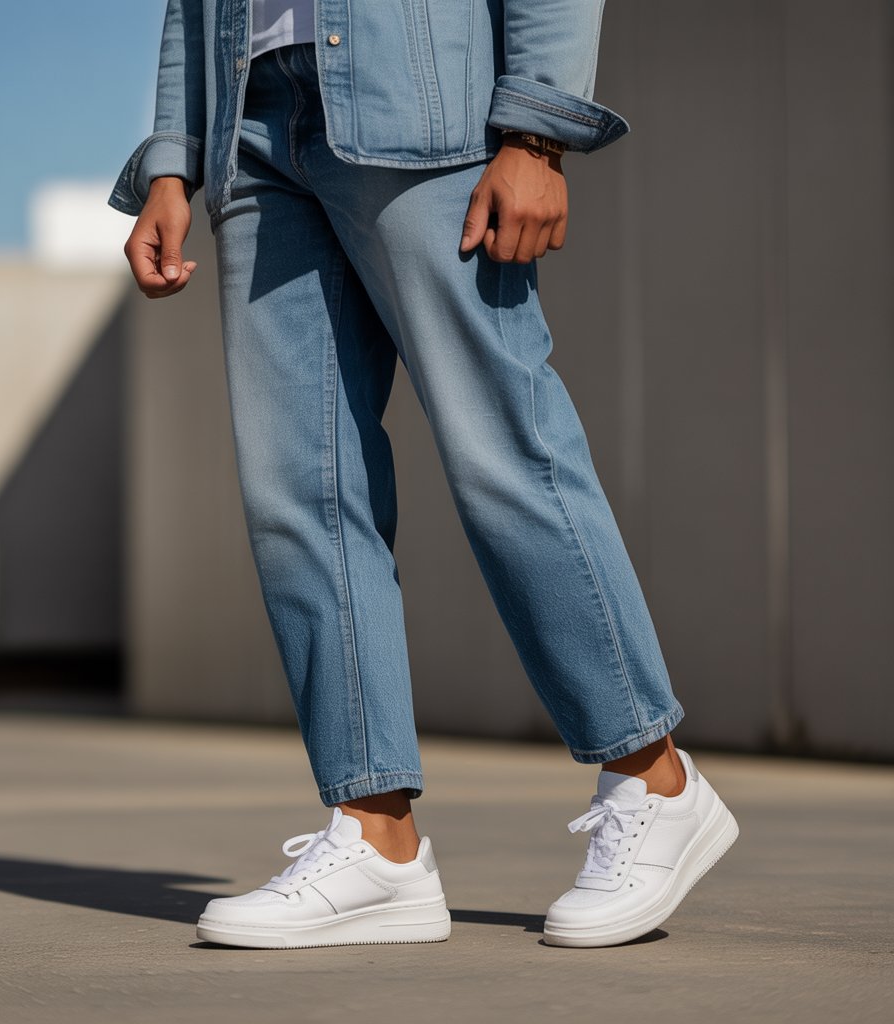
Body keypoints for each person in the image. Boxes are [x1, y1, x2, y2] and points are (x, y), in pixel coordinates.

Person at [109, 0, 738, 949]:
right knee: (299, 492)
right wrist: (172, 156)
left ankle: (655, 779)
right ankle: (378, 841)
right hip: (254, 124)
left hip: (419, 104)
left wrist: (537, 131)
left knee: (504, 451)